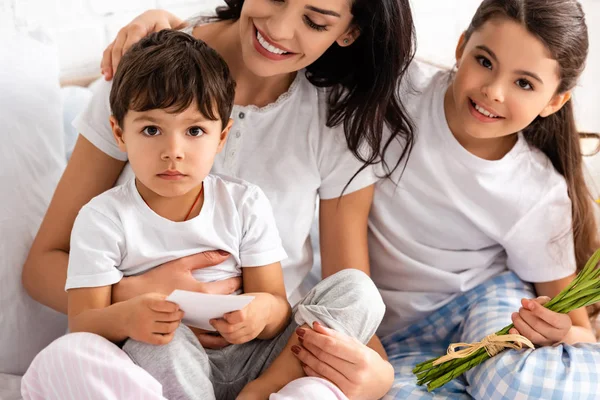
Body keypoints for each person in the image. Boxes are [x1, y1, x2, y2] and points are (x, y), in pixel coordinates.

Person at [21, 1, 416, 398]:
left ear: (349, 33)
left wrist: (377, 375)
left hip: (266, 351)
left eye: (314, 21)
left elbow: (345, 302)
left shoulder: (338, 120)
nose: (278, 29)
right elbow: (42, 267)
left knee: (356, 294)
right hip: (152, 345)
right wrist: (140, 295)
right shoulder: (147, 70)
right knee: (82, 358)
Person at [361, 0, 600, 398]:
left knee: (512, 381)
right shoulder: (397, 97)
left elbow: (577, 327)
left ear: (555, 101)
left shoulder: (536, 190)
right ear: (461, 47)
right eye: (485, 61)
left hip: (484, 301)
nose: (493, 91)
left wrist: (559, 330)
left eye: (524, 83)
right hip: (398, 334)